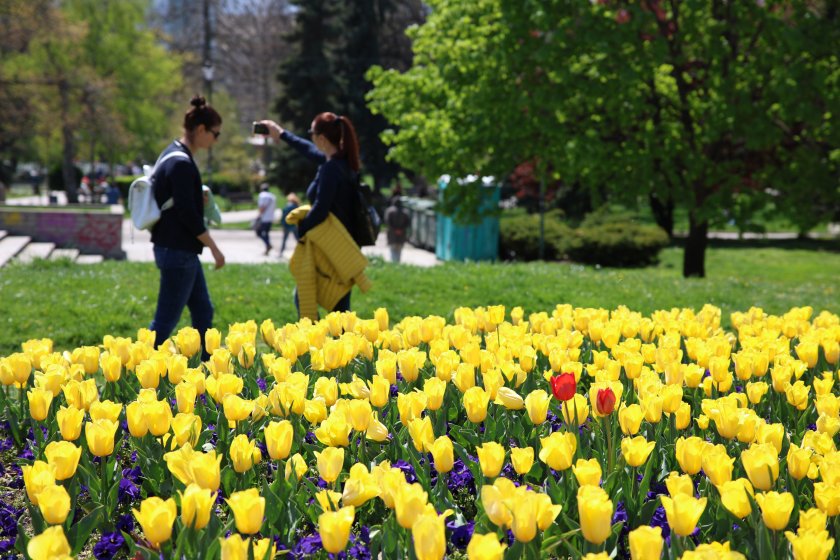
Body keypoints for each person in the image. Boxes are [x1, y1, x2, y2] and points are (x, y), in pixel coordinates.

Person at [258, 113, 364, 316]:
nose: (312, 139)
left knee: (329, 303)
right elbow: (308, 149)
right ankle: (331, 344)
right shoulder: (342, 163)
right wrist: (280, 133)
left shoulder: (331, 169)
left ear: (322, 139)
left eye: (312, 134)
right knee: (335, 302)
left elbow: (320, 209)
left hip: (334, 246)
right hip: (342, 245)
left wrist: (301, 229)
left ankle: (321, 344)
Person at [149, 95, 226, 359]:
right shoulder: (181, 162)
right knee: (164, 323)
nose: (216, 140)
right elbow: (188, 216)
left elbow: (178, 202)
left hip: (177, 249)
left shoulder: (172, 152)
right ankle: (139, 370)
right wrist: (215, 249)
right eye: (215, 134)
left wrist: (195, 196)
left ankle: (207, 371)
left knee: (203, 311)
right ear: (202, 129)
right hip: (177, 250)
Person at [384, 196, 411, 263]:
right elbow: (408, 223)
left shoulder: (389, 211)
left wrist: (395, 229)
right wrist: (400, 229)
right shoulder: (405, 211)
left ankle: (394, 263)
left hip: (392, 233)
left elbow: (387, 221)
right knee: (399, 249)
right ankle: (397, 263)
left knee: (393, 249)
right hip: (402, 234)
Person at [255, 183, 277, 255]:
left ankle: (268, 245)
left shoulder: (262, 195)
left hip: (264, 218)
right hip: (271, 217)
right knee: (266, 233)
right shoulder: (273, 196)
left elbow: (262, 207)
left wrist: (259, 215)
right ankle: (267, 248)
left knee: (258, 232)